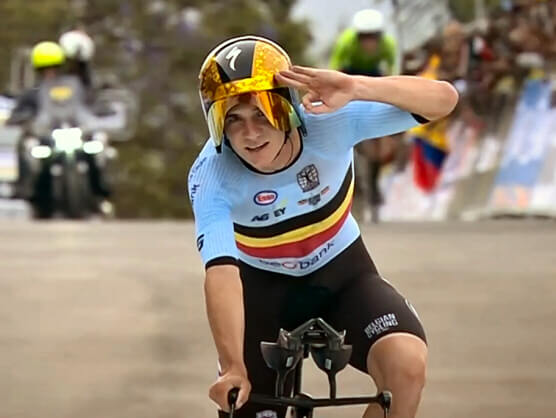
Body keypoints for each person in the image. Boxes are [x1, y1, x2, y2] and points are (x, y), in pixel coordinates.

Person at [188, 36, 458, 418]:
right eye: (233, 119)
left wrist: (358, 86)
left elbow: (444, 100)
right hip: (261, 291)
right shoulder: (212, 175)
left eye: (262, 113)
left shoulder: (330, 121)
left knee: (406, 366)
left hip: (343, 276)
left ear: (287, 107)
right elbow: (221, 273)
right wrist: (233, 365)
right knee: (242, 399)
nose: (250, 133)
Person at [330, 9, 399, 223]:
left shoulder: (388, 45)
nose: (368, 43)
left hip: (374, 77)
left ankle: (375, 182)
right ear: (357, 37)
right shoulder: (346, 42)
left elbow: (394, 78)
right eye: (364, 38)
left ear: (379, 37)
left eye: (373, 38)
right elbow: (334, 74)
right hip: (349, 75)